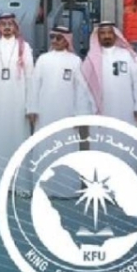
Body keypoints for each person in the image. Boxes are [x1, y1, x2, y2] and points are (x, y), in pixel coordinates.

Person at [27, 26, 94, 198]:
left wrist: (80, 115)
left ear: (67, 40)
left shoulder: (75, 61)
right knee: (45, 146)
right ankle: (44, 188)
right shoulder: (43, 59)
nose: (55, 41)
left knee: (66, 147)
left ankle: (67, 189)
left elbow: (81, 90)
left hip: (67, 113)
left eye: (59, 38)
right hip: (45, 112)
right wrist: (32, 107)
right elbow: (34, 85)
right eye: (53, 37)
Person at [0, 12, 34, 196]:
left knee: (18, 139)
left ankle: (20, 185)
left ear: (16, 27)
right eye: (3, 24)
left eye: (10, 24)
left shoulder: (24, 47)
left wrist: (31, 105)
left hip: (18, 102)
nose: (7, 27)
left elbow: (30, 77)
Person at [81, 21, 137, 171]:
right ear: (97, 36)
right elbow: (84, 89)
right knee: (102, 147)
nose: (106, 36)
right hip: (101, 113)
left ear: (115, 35)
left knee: (126, 144)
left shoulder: (127, 55)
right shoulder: (90, 60)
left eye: (110, 33)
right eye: (103, 33)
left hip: (126, 111)